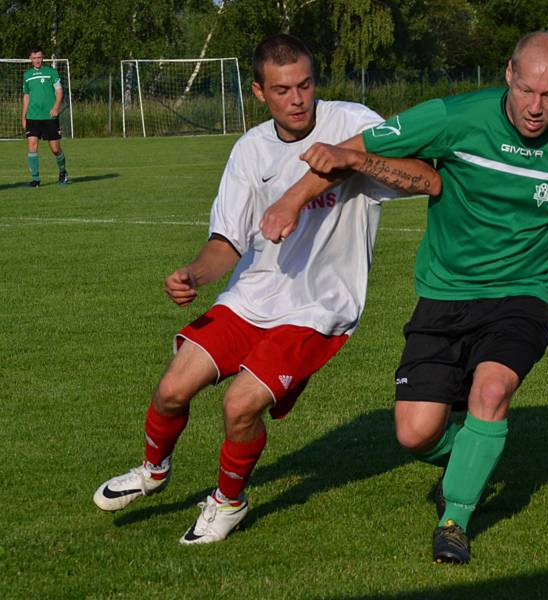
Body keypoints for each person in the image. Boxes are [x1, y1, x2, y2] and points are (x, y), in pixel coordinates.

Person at [261, 31, 548, 565]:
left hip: (523, 292)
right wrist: (293, 200)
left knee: (492, 388)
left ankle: (454, 518)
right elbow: (355, 150)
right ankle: (478, 449)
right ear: (509, 73)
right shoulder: (455, 116)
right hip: (445, 292)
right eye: (527, 90)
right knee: (415, 434)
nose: (536, 107)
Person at [92, 33, 440, 545]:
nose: (297, 99)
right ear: (258, 92)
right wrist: (192, 273)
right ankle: (153, 470)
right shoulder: (250, 150)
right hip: (251, 295)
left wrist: (353, 160)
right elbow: (225, 244)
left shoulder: (353, 124)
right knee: (171, 389)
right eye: (282, 90)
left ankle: (228, 502)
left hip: (319, 307)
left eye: (305, 85)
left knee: (240, 404)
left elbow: (427, 179)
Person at [22, 47, 68, 187]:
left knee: (55, 149)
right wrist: (23, 116)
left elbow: (59, 92)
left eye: (39, 57)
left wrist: (55, 108)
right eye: (34, 58)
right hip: (32, 117)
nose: (37, 60)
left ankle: (63, 171)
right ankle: (35, 180)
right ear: (31, 59)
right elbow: (26, 96)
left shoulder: (51, 72)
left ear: (43, 58)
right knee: (32, 145)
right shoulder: (27, 75)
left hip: (49, 117)